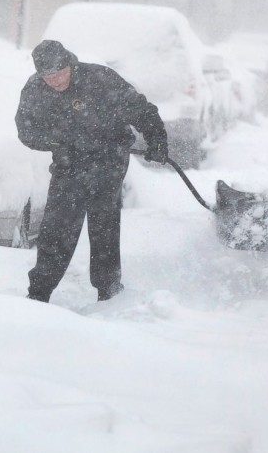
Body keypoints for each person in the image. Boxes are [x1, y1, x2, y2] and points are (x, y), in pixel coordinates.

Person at [15, 40, 168, 303]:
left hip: (109, 159)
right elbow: (26, 131)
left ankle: (108, 289)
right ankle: (39, 292)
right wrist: (58, 143)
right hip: (68, 163)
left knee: (104, 223)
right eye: (48, 77)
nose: (55, 80)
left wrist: (157, 140)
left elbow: (141, 110)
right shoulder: (35, 89)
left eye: (60, 73)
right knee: (57, 226)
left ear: (69, 64)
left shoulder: (100, 79)